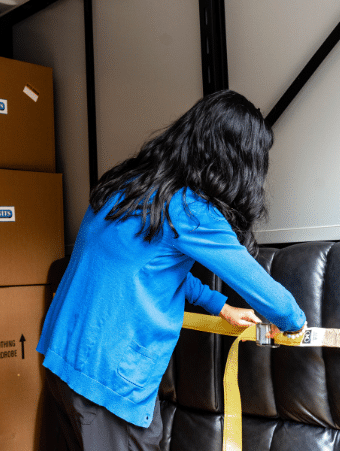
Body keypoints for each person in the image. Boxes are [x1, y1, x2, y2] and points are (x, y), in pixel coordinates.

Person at [37, 90, 307, 451]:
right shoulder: (191, 210)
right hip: (107, 384)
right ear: (236, 158)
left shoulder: (127, 185)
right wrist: (296, 323)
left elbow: (152, 268)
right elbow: (262, 289)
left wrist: (219, 306)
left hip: (62, 358)